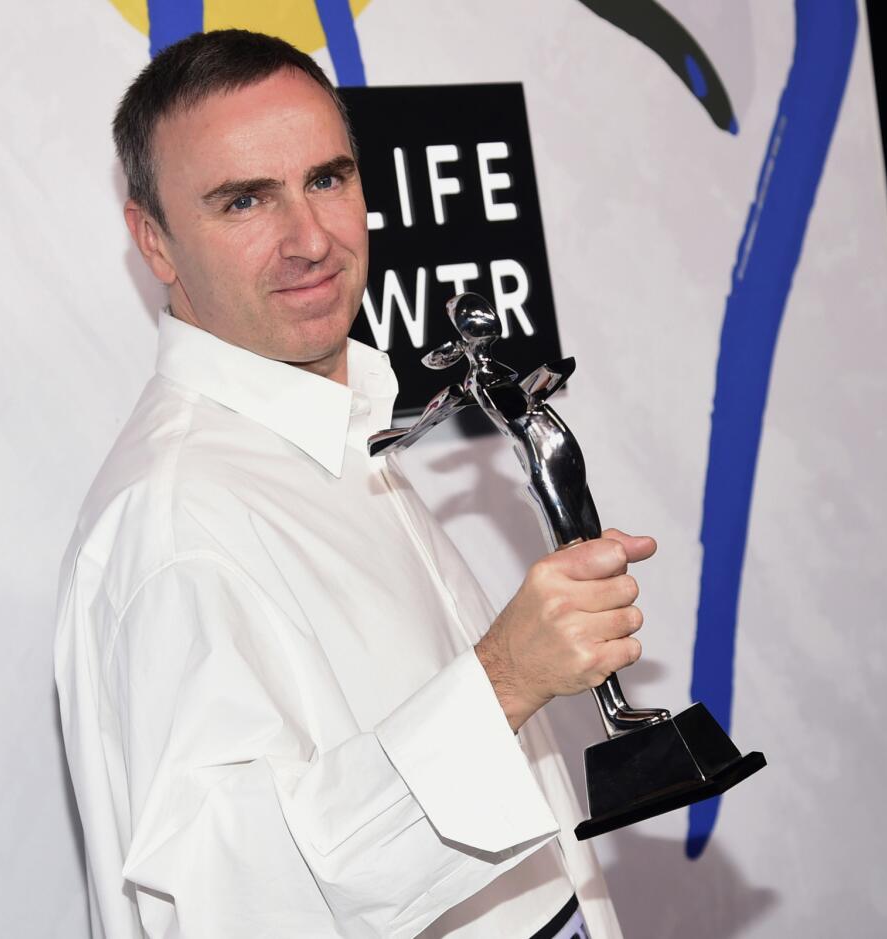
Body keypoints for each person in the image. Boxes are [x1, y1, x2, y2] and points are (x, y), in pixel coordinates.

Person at [55, 29, 654, 939]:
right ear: (156, 241)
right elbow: (231, 908)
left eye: (327, 179)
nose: (310, 240)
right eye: (244, 200)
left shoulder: (339, 421)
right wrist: (501, 681)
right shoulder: (172, 520)